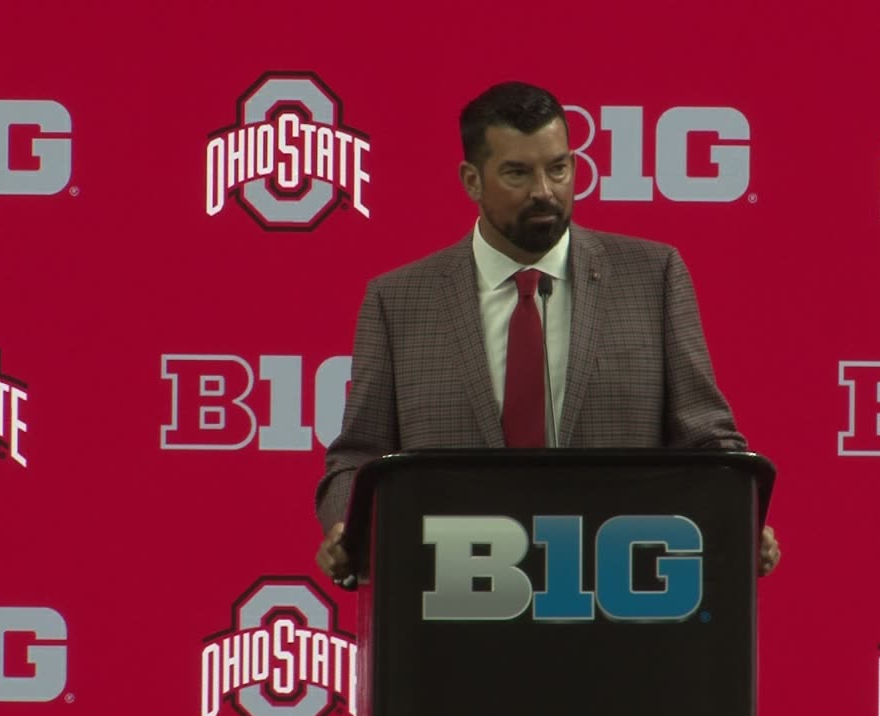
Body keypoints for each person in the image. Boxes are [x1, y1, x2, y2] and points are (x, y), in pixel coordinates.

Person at [314, 80, 780, 585]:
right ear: (472, 180)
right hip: (452, 597)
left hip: (619, 594)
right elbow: (359, 454)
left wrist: (739, 517)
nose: (544, 190)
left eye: (557, 168)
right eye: (517, 172)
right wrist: (347, 526)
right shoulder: (398, 300)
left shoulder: (654, 275)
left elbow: (706, 441)